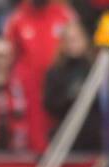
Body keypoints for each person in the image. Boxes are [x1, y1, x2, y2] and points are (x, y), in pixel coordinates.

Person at [44, 18, 101, 151]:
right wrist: (68, 97)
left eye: (75, 39)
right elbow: (49, 104)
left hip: (94, 135)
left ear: (85, 40)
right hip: (67, 134)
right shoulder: (56, 71)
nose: (72, 45)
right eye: (68, 40)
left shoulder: (96, 67)